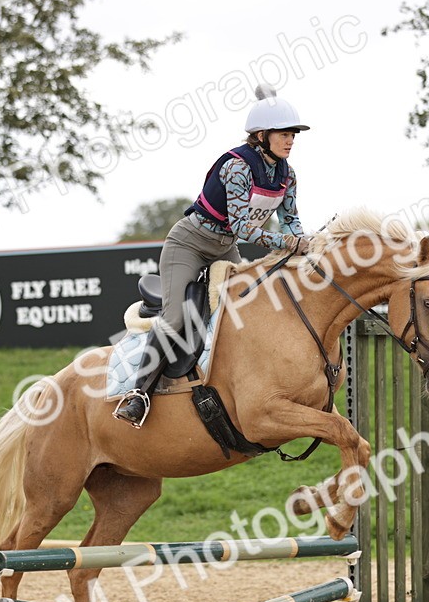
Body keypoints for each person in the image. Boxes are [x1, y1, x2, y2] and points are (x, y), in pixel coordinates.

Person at [113, 85, 315, 427]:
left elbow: (291, 219)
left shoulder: (287, 174)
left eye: (293, 134)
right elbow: (245, 227)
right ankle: (138, 394)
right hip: (189, 244)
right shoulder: (238, 168)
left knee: (245, 310)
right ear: (262, 136)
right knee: (176, 317)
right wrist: (287, 242)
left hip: (224, 247)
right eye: (284, 134)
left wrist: (302, 242)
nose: (291, 140)